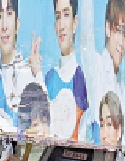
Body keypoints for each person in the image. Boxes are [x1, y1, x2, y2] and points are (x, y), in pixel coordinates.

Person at [80, 0, 125, 145]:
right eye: (118, 31)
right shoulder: (96, 66)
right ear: (107, 28)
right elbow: (86, 35)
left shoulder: (120, 82)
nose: (122, 42)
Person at [0, 0, 43, 131]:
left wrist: (38, 74)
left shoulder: (32, 76)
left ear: (17, 24)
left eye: (9, 13)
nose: (4, 26)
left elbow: (44, 127)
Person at [44, 0, 89, 140]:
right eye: (58, 17)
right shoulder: (49, 77)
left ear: (75, 23)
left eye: (66, 14)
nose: (62, 25)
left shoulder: (81, 77)